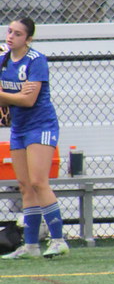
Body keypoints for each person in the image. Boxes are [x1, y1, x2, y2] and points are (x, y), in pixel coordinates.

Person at [0, 17, 69, 260]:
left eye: (17, 34)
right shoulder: (3, 61)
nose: (10, 37)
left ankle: (58, 240)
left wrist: (9, 95)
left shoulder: (36, 60)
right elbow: (9, 99)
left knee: (40, 182)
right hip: (19, 128)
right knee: (25, 186)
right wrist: (14, 94)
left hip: (41, 127)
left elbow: (29, 100)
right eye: (9, 31)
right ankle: (30, 245)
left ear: (28, 39)